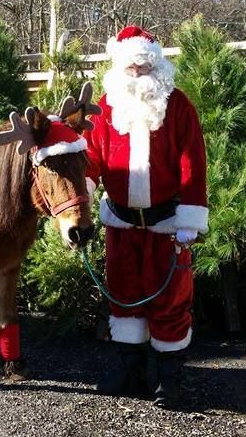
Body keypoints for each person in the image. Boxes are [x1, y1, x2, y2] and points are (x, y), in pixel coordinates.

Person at [85, 25, 208, 409]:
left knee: (171, 299)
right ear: (119, 69)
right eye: (131, 69)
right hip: (121, 224)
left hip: (168, 225)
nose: (138, 76)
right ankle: (131, 372)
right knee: (123, 295)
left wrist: (189, 221)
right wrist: (79, 201)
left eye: (144, 68)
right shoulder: (104, 108)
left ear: (157, 67)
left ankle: (170, 381)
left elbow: (193, 164)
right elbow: (90, 160)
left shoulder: (179, 106)